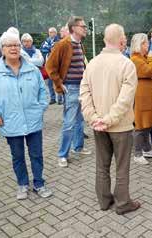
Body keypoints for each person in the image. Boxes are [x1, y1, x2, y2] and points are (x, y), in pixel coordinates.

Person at [0, 31, 52, 200]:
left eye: (17, 45)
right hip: (10, 123)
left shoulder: (32, 70)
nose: (14, 48)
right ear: (2, 49)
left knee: (37, 155)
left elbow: (44, 93)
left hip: (33, 122)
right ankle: (22, 184)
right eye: (9, 45)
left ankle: (39, 183)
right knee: (17, 156)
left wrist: (40, 109)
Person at [80, 23, 141, 215]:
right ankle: (122, 204)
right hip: (119, 126)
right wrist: (106, 119)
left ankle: (104, 201)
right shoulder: (126, 65)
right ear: (122, 41)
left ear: (105, 40)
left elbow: (84, 94)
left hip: (100, 126)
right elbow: (125, 100)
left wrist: (94, 119)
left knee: (102, 165)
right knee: (121, 167)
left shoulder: (92, 64)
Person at [46, 16, 91, 168]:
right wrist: (59, 83)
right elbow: (50, 66)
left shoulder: (79, 44)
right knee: (69, 122)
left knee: (79, 120)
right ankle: (62, 155)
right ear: (73, 28)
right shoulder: (63, 44)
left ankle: (78, 147)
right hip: (70, 88)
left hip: (81, 87)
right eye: (82, 26)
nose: (85, 28)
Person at [130, 33, 152, 165]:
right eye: (145, 43)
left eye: (147, 43)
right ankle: (137, 153)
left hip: (148, 96)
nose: (148, 45)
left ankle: (146, 148)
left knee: (147, 124)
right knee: (140, 125)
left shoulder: (143, 58)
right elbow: (151, 71)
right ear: (139, 45)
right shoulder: (136, 59)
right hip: (141, 96)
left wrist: (150, 61)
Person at [40, 27, 63, 105]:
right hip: (48, 65)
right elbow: (42, 49)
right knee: (49, 83)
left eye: (53, 32)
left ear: (56, 33)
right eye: (50, 32)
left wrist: (50, 49)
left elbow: (56, 49)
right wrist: (51, 49)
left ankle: (60, 99)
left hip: (57, 65)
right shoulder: (46, 41)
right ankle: (52, 98)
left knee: (57, 81)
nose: (51, 34)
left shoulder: (59, 41)